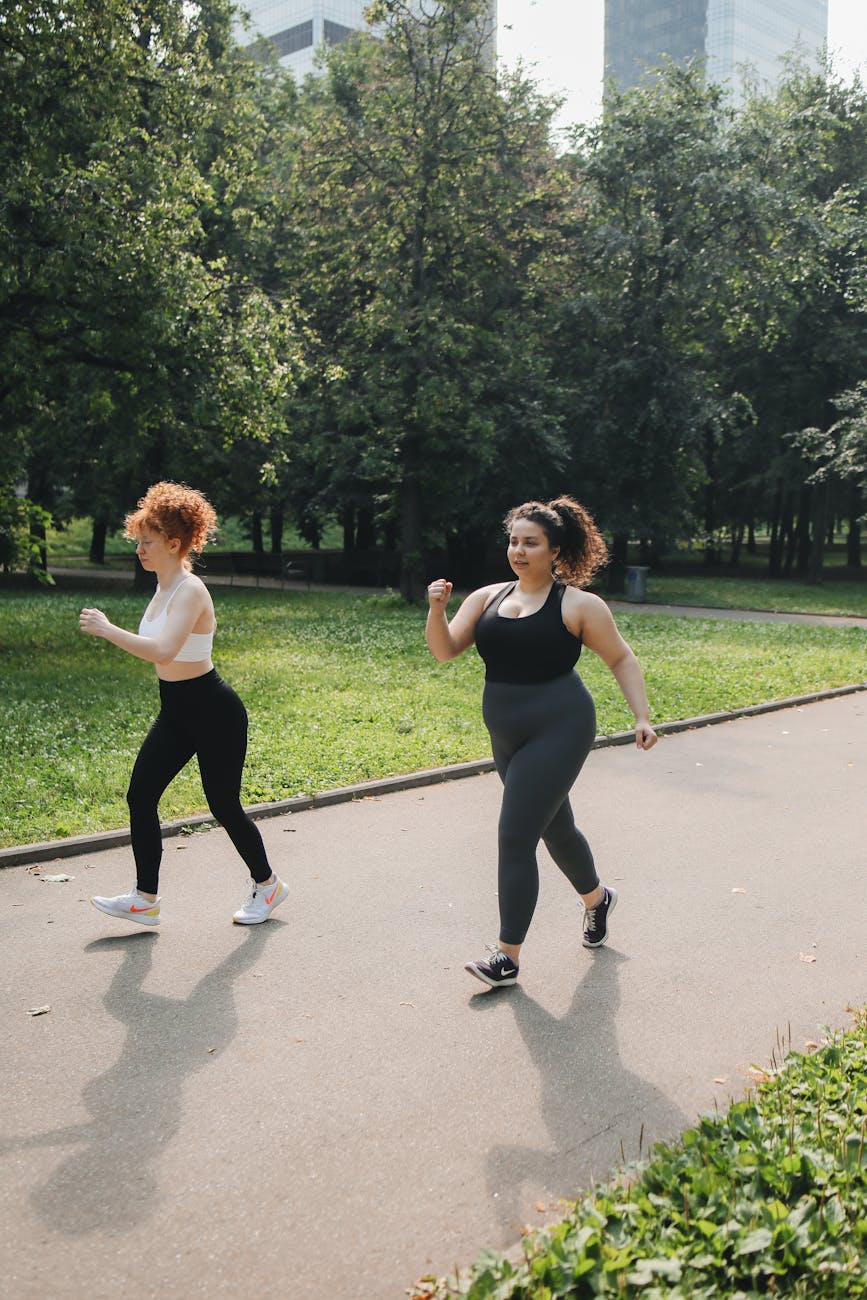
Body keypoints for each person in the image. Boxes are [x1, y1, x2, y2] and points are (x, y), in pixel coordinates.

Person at [425, 496, 657, 988]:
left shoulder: (577, 605)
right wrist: (436, 609)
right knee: (556, 829)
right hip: (507, 733)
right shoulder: (486, 598)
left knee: (515, 834)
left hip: (561, 725)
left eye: (531, 543)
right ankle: (598, 899)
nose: (519, 550)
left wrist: (642, 716)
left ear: (555, 550)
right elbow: (445, 651)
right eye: (514, 541)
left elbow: (621, 658)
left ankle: (506, 956)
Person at [79, 482, 288, 928]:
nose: (139, 548)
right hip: (176, 712)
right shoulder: (162, 587)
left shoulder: (191, 590)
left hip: (214, 712)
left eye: (147, 541)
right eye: (138, 540)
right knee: (140, 795)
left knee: (223, 805)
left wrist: (107, 629)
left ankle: (268, 886)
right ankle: (145, 898)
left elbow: (164, 651)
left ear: (174, 544)